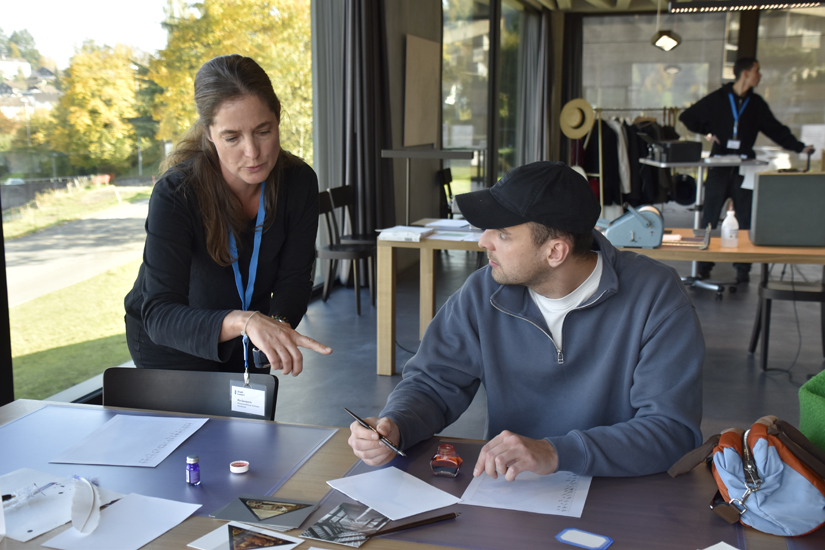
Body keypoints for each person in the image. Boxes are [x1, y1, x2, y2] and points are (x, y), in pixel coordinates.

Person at [348, 161, 704, 479]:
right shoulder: (482, 294)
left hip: (624, 494)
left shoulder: (655, 297)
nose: (483, 241)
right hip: (513, 488)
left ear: (555, 251)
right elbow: (432, 383)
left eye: (503, 234)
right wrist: (396, 425)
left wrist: (555, 452)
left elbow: (671, 430)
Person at [124, 55, 331, 374]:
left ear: (277, 117)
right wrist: (244, 321)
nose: (253, 153)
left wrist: (276, 327)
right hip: (172, 346)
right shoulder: (177, 193)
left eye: (264, 131)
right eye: (232, 138)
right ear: (208, 132)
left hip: (251, 336)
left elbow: (294, 278)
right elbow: (160, 315)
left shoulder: (299, 181)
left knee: (252, 425)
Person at [680, 57, 815, 283]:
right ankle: (702, 264)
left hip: (745, 169)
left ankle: (743, 267)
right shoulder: (718, 99)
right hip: (720, 167)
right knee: (710, 216)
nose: (759, 75)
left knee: (745, 218)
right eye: (757, 71)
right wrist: (707, 131)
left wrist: (800, 148)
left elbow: (775, 130)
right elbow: (687, 117)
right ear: (745, 73)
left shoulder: (757, 104)